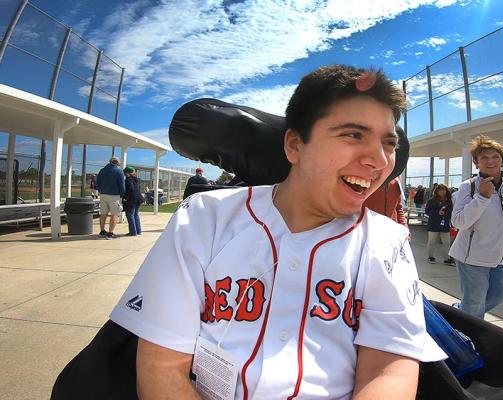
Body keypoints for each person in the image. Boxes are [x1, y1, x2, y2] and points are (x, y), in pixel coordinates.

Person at [110, 65, 445, 400]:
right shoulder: (203, 217)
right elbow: (162, 367)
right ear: (295, 146)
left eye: (389, 143)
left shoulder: (387, 242)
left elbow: (390, 369)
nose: (379, 159)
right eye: (353, 135)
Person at [449, 135, 503, 319]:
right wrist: (482, 198)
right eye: (484, 158)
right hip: (473, 259)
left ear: (502, 160)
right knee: (475, 303)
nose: (491, 161)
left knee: (502, 296)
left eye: (495, 157)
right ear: (476, 163)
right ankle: (471, 338)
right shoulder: (469, 187)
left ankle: (462, 312)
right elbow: (459, 222)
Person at [425, 183, 455, 265]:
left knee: (446, 242)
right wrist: (437, 212)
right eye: (440, 190)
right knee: (431, 242)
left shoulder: (448, 202)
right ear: (437, 191)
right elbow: (427, 211)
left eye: (444, 190)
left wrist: (452, 222)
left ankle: (447, 258)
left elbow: (451, 212)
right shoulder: (432, 201)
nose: (442, 192)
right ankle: (431, 257)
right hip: (433, 224)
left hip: (444, 225)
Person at [96, 157, 125, 240]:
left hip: (103, 195)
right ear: (117, 163)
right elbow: (122, 186)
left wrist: (101, 190)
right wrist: (122, 195)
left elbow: (97, 183)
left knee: (103, 213)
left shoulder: (102, 170)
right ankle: (110, 233)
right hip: (114, 195)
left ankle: (102, 231)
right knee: (114, 214)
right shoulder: (119, 171)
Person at [122, 166, 144, 236]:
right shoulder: (137, 179)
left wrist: (125, 198)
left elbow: (130, 189)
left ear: (128, 173)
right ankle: (138, 231)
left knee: (130, 216)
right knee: (136, 215)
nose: (124, 174)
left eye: (125, 173)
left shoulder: (128, 180)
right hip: (138, 200)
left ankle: (133, 232)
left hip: (131, 200)